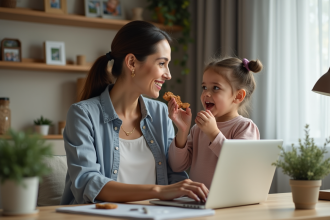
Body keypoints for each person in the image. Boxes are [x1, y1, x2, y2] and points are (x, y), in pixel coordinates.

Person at [60, 21, 208, 205]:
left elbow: (174, 176)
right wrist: (158, 191)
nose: (168, 74)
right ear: (131, 63)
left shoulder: (161, 112)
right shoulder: (82, 115)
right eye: (162, 63)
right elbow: (88, 183)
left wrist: (182, 134)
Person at [168, 57, 263, 189]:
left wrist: (213, 133)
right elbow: (177, 166)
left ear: (238, 96)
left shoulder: (245, 127)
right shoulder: (198, 129)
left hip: (230, 203)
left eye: (216, 88)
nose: (206, 93)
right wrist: (183, 130)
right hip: (198, 201)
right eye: (204, 87)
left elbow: (239, 164)